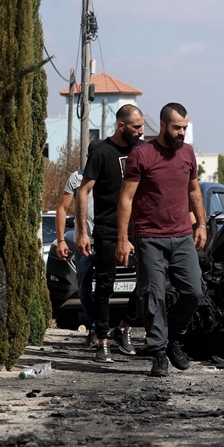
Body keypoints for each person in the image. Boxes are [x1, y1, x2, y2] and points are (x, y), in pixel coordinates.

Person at [115, 102, 206, 377]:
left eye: (185, 128)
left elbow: (194, 191)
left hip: (182, 236)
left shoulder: (188, 153)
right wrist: (123, 238)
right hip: (150, 238)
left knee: (194, 292)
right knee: (153, 297)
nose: (182, 133)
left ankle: (173, 338)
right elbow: (126, 199)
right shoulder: (141, 155)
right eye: (177, 128)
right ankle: (158, 353)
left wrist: (201, 224)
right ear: (164, 125)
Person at [76, 104, 145, 363]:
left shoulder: (142, 151)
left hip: (139, 228)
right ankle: (102, 340)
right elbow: (83, 191)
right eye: (136, 127)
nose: (141, 131)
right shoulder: (102, 151)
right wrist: (82, 233)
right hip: (107, 229)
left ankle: (124, 327)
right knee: (105, 286)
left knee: (149, 282)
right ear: (121, 126)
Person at [55, 139, 102, 347]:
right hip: (84, 242)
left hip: (107, 240)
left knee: (106, 287)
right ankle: (94, 325)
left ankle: (102, 329)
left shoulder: (112, 176)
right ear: (89, 157)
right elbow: (62, 208)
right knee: (83, 288)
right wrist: (61, 240)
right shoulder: (77, 177)